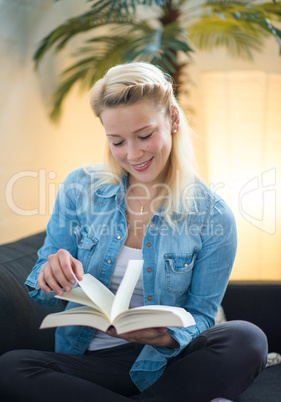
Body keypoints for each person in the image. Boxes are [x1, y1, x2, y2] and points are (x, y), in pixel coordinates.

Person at [0, 62, 267, 402]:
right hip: (89, 362)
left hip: (166, 362)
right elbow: (40, 285)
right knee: (11, 368)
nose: (133, 153)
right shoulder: (79, 190)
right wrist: (49, 275)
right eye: (117, 141)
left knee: (248, 339)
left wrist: (165, 337)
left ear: (173, 119)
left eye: (144, 136)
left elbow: (201, 316)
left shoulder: (212, 216)